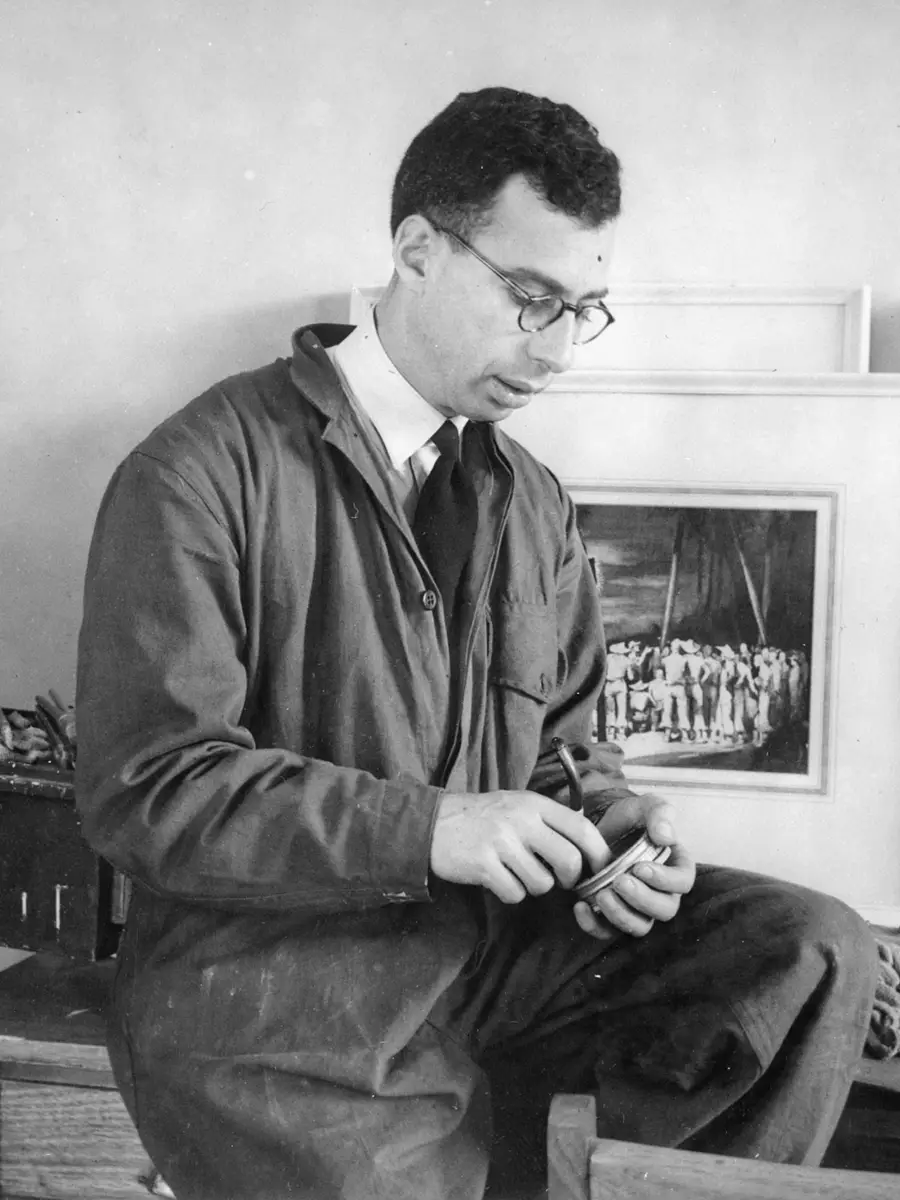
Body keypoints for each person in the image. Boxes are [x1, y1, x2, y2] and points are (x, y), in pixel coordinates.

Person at [75, 87, 877, 1200]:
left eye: (583, 310)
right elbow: (147, 791)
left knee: (811, 948)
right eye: (529, 299)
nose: (556, 351)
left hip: (488, 961)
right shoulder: (199, 473)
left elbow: (557, 752)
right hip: (277, 1002)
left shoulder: (532, 503)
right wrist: (436, 827)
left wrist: (610, 835)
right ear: (415, 250)